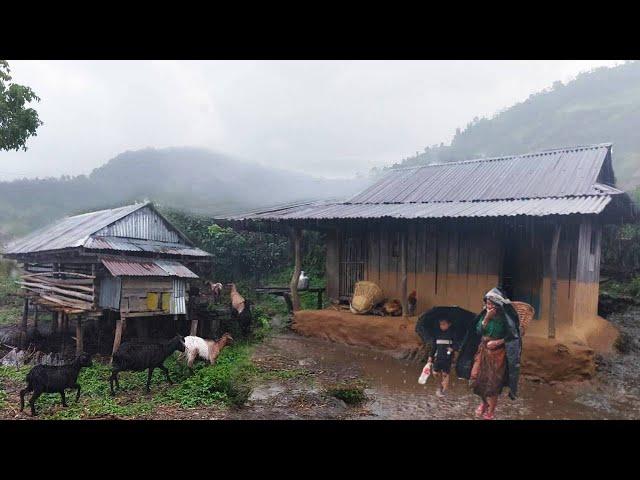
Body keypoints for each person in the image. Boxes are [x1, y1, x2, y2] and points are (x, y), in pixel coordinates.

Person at [455, 287, 522, 420]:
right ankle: (484, 403)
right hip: (483, 350)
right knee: (475, 378)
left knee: (493, 383)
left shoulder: (505, 319)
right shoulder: (484, 315)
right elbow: (479, 331)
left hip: (498, 353)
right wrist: (486, 318)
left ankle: (491, 411)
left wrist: (498, 342)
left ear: (498, 304)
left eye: (491, 303)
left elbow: (512, 337)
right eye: (487, 303)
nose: (489, 306)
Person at [428, 318, 458, 398]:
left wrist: (453, 349)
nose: (442, 326)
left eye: (444, 324)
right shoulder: (437, 334)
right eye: (441, 324)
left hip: (447, 357)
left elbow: (457, 344)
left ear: (449, 324)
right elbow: (434, 346)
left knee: (445, 373)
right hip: (438, 356)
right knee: (435, 372)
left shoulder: (453, 334)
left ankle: (444, 390)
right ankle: (439, 385)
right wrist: (430, 356)